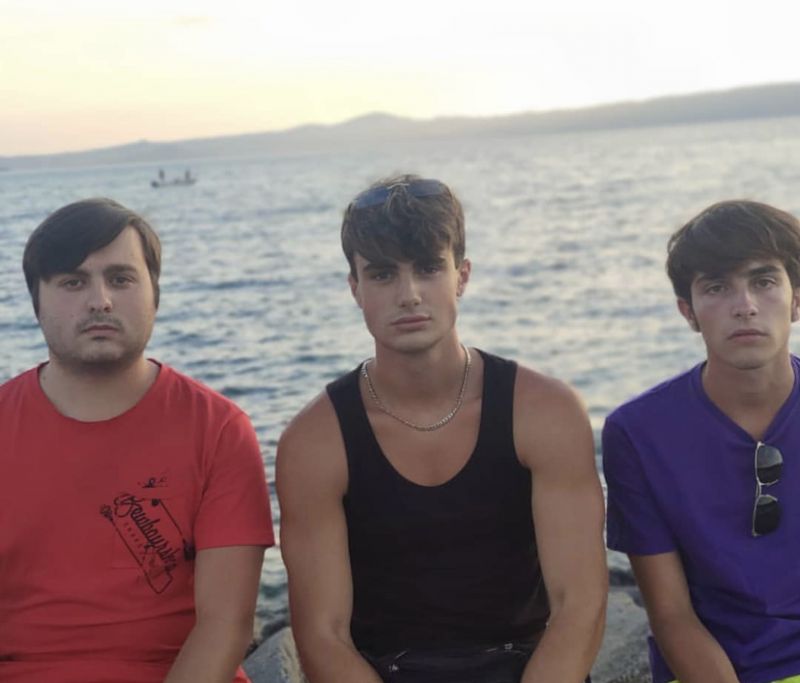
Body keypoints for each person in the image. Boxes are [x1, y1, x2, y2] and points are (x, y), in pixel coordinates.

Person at [277, 175, 607, 683]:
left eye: (429, 268)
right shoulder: (315, 442)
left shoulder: (545, 411)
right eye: (383, 274)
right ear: (355, 288)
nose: (408, 295)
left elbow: (578, 604)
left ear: (461, 275)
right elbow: (323, 635)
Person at [0, 198, 275, 683]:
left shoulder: (218, 429)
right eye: (73, 282)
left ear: (155, 294)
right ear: (36, 300)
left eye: (121, 279)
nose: (100, 301)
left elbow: (225, 626)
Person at [603, 200, 800, 683]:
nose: (745, 305)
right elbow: (671, 614)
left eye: (764, 281)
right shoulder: (639, 433)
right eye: (717, 287)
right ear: (688, 312)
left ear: (796, 300)